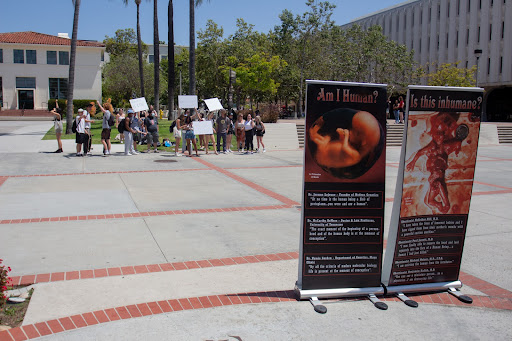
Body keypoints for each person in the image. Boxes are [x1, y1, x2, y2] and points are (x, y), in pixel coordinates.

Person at [406, 113, 463, 214]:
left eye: (442, 133)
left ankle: (444, 204)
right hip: (435, 176)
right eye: (437, 132)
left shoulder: (445, 146)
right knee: (429, 201)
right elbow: (420, 153)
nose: (439, 136)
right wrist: (412, 162)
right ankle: (443, 204)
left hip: (437, 176)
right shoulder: (433, 147)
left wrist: (458, 148)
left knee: (430, 200)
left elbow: (457, 143)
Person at [309, 109, 382, 170]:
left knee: (320, 141)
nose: (350, 131)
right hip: (326, 150)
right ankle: (314, 133)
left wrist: (346, 136)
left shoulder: (356, 156)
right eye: (351, 128)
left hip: (324, 156)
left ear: (363, 142)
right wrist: (341, 135)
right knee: (324, 139)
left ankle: (313, 133)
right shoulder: (353, 147)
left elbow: (344, 148)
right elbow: (342, 145)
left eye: (355, 132)